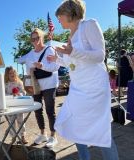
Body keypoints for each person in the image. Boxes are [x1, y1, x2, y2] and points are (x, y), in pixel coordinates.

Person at [48, 0, 119, 159]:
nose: (58, 20)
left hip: (94, 87)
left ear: (69, 13)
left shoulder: (89, 25)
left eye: (59, 16)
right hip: (77, 88)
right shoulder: (70, 36)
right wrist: (57, 60)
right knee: (75, 126)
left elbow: (100, 55)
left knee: (100, 131)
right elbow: (72, 63)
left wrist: (72, 52)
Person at [17, 28, 60, 148]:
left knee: (50, 111)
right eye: (33, 39)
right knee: (37, 110)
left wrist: (42, 66)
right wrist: (29, 69)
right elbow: (21, 61)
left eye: (37, 38)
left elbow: (56, 66)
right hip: (36, 86)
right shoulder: (30, 54)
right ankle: (43, 134)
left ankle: (53, 136)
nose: (35, 41)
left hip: (49, 85)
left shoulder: (49, 49)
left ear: (42, 38)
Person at [4, 66, 28, 144]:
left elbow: (24, 92)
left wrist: (18, 93)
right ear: (7, 74)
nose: (12, 74)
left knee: (21, 121)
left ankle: (23, 136)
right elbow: (3, 94)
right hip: (9, 106)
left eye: (13, 72)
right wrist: (10, 95)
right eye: (10, 73)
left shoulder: (19, 82)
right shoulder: (5, 84)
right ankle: (13, 137)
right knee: (11, 122)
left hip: (19, 105)